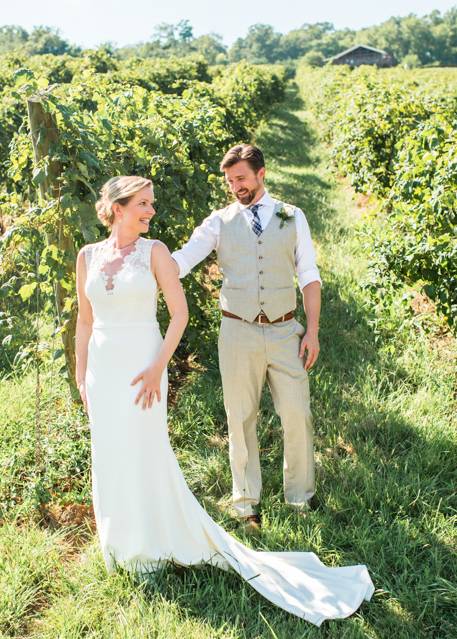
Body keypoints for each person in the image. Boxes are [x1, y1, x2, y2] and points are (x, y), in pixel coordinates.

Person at [75, 175, 373, 626]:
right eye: (143, 203)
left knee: (146, 449)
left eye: (152, 203)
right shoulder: (87, 256)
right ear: (117, 207)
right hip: (102, 370)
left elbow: (179, 312)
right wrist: (81, 376)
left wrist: (158, 367)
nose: (152, 210)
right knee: (109, 454)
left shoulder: (155, 251)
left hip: (144, 365)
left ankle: (155, 541)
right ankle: (119, 542)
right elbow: (84, 319)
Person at [171, 144, 319, 532]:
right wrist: (143, 264)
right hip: (237, 330)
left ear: (261, 174)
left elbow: (309, 276)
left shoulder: (292, 217)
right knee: (240, 418)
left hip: (287, 330)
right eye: (230, 180)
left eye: (241, 178)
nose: (235, 186)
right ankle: (246, 505)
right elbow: (184, 259)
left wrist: (313, 331)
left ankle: (300, 498)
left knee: (297, 414)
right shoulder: (219, 222)